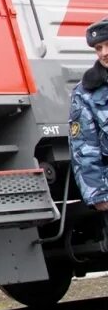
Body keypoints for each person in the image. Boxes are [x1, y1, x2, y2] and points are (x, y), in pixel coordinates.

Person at [69, 17, 108, 211]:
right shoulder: (86, 92)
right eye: (98, 48)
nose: (104, 53)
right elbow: (84, 148)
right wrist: (98, 194)